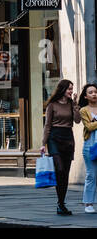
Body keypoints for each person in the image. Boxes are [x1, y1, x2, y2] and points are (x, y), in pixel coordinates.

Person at [42, 79, 81, 215]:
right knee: (59, 169)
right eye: (69, 89)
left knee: (65, 174)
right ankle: (60, 202)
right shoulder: (52, 105)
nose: (71, 91)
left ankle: (61, 203)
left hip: (68, 139)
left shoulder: (71, 104)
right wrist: (43, 144)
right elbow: (47, 126)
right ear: (62, 89)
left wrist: (76, 105)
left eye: (72, 88)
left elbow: (77, 120)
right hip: (54, 139)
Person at [78, 83, 97, 214]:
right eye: (90, 92)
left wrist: (94, 123)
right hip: (90, 145)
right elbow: (89, 127)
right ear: (85, 96)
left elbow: (92, 125)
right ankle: (88, 203)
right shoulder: (83, 110)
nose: (94, 94)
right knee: (91, 174)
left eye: (95, 92)